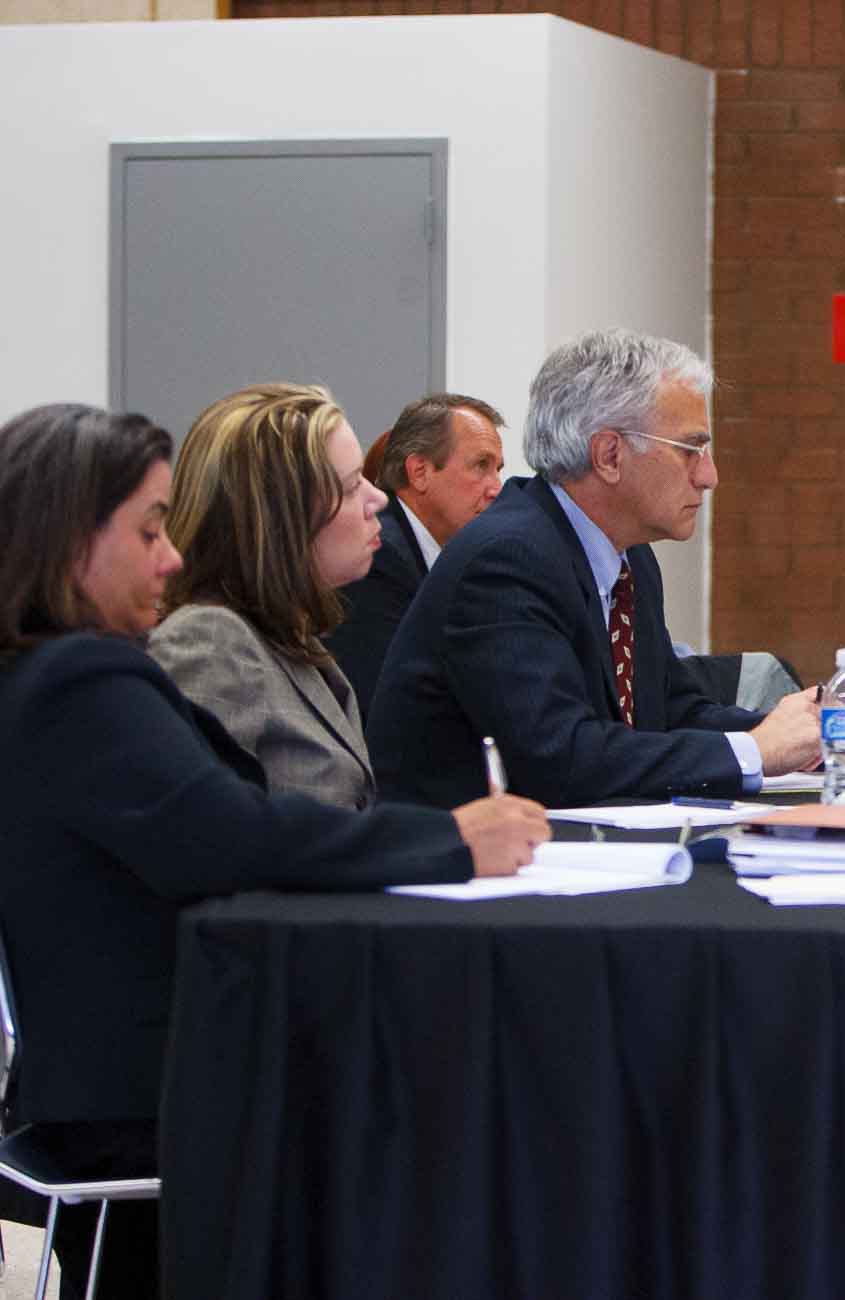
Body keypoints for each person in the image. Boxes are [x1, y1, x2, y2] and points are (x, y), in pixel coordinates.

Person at [0, 403, 546, 1298]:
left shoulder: (49, 674)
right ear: (70, 542)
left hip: (146, 1078)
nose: (170, 558)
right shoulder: (80, 680)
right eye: (147, 532)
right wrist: (449, 839)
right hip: (165, 1092)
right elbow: (223, 834)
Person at [367, 329, 823, 808]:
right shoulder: (505, 560)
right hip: (462, 863)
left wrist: (788, 731)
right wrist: (754, 751)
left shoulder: (630, 556)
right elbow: (560, 759)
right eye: (690, 449)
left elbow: (666, 712)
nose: (709, 476)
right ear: (609, 455)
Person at [147, 383, 389, 809]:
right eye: (352, 487)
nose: (379, 499)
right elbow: (202, 839)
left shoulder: (289, 635)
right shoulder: (210, 641)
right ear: (284, 516)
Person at [324, 392, 507, 716]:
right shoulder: (377, 555)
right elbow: (392, 704)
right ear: (420, 472)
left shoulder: (444, 557)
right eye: (481, 465)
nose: (496, 488)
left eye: (498, 469)